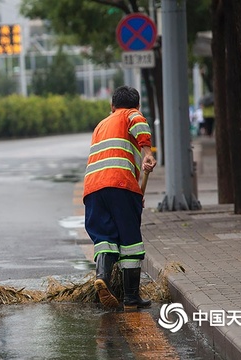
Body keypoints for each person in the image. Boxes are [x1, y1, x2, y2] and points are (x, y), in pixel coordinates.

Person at [83, 85, 157, 310]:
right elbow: (139, 121)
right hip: (120, 185)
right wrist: (148, 153)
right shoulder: (131, 114)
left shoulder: (101, 125)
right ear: (137, 105)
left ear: (111, 105)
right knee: (130, 241)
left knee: (104, 236)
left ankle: (102, 277)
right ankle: (131, 297)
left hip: (94, 188)